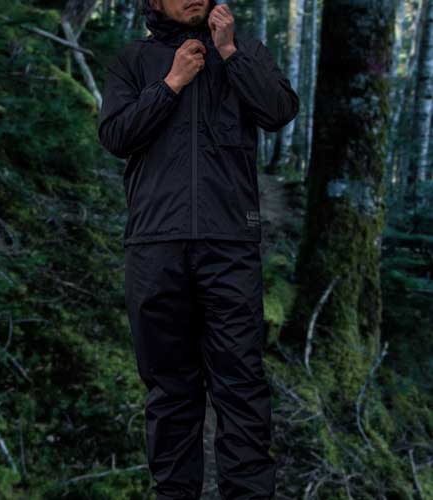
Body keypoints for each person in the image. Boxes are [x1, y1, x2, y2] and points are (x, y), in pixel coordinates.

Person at [98, 0, 299, 498]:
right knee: (169, 388)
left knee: (241, 384)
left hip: (230, 245)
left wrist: (229, 53)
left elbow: (279, 111)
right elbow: (116, 135)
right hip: (154, 246)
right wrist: (171, 84)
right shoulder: (132, 60)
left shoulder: (245, 50)